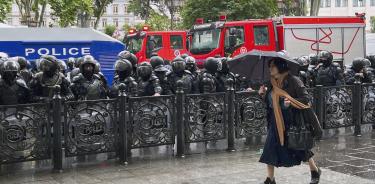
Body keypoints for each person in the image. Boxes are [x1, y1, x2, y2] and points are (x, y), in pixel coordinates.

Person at [258, 58, 321, 184]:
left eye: (273, 66)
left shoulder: (294, 81)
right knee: (269, 149)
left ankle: (314, 170)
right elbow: (271, 102)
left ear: (280, 67)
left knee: (300, 148)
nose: (270, 69)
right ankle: (270, 179)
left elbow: (306, 99)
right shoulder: (271, 82)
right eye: (269, 66)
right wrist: (262, 95)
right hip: (275, 121)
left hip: (292, 121)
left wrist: (290, 102)